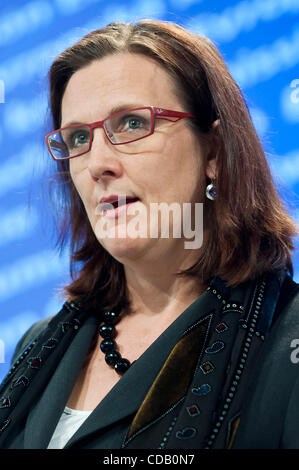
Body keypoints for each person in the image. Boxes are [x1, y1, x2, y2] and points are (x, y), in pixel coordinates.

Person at [0, 19, 298, 450]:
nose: (98, 162)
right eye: (79, 136)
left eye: (132, 124)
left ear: (213, 152)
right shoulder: (41, 343)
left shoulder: (287, 339)